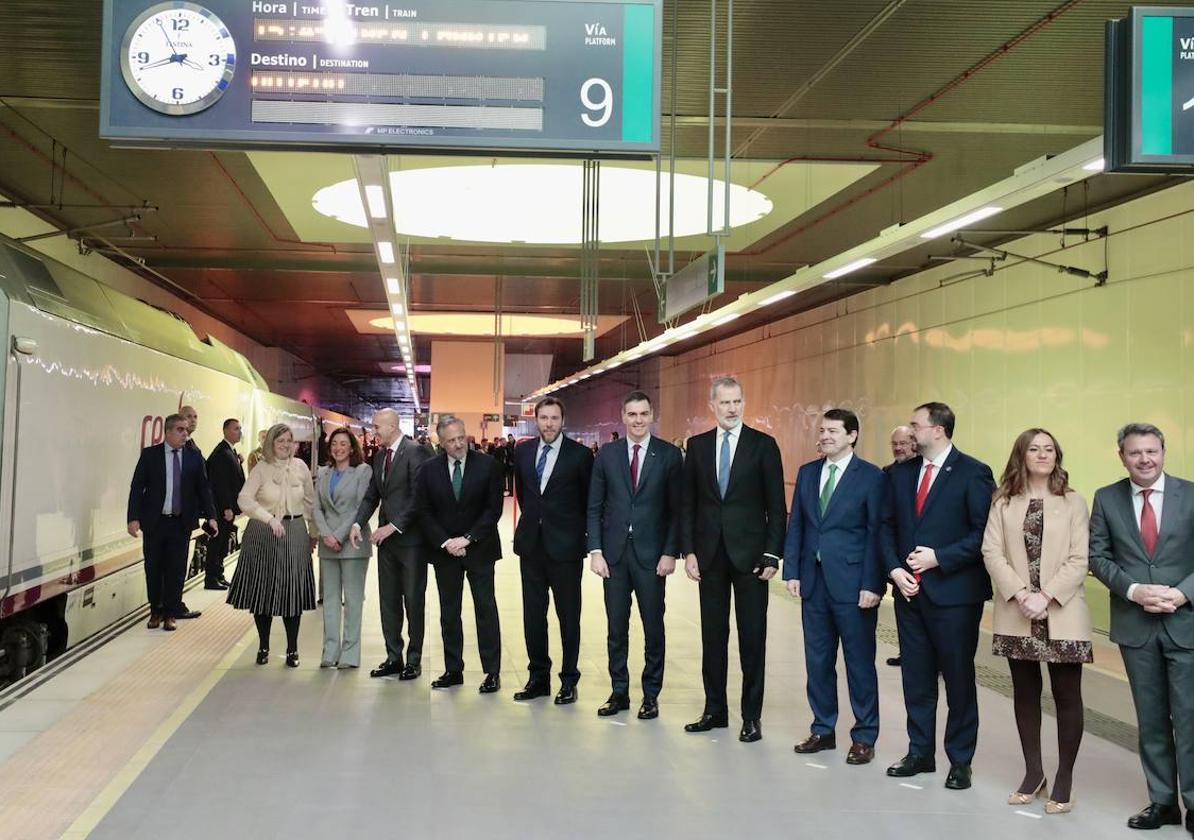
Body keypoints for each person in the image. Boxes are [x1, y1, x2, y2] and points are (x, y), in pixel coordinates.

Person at [881, 401, 994, 790]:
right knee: (916, 676)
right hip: (909, 594)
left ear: (939, 430)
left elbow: (983, 534)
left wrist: (938, 558)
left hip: (956, 596)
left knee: (959, 678)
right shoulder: (899, 475)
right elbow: (886, 527)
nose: (910, 432)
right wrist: (896, 570)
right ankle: (920, 752)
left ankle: (960, 760)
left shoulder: (974, 473)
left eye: (916, 425)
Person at [1088, 423, 1194, 833]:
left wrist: (1182, 594)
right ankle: (1163, 801)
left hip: (1185, 622)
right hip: (1136, 625)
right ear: (1122, 456)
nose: (1145, 459)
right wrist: (1134, 591)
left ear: (1164, 452)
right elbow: (1098, 557)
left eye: (1152, 451)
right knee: (1150, 721)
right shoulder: (1106, 498)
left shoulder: (1190, 494)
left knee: (1189, 720)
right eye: (1135, 453)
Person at [982, 428, 1092, 814]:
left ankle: (1064, 778)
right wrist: (1020, 594)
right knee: (1025, 692)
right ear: (1022, 456)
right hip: (1017, 611)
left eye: (1049, 449)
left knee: (1067, 695)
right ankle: (1034, 773)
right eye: (1035, 449)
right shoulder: (1003, 502)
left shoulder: (1074, 502)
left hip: (1062, 610)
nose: (1043, 455)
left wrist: (1046, 596)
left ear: (1057, 456)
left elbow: (1080, 558)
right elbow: (991, 551)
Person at [680, 377, 784, 743]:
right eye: (724, 402)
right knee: (713, 636)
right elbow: (688, 503)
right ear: (713, 405)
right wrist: (689, 550)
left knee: (752, 637)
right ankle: (715, 710)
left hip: (752, 557)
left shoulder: (763, 446)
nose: (732, 408)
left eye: (737, 401)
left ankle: (751, 716)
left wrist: (773, 553)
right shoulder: (697, 446)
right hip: (709, 556)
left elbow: (777, 506)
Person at [784, 408, 885, 763]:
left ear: (852, 436)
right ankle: (823, 729)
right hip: (814, 584)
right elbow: (797, 524)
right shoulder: (808, 473)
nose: (826, 436)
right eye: (823, 430)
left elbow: (877, 534)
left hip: (854, 585)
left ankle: (864, 736)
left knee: (859, 663)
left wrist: (873, 583)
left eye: (834, 431)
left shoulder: (871, 477)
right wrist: (792, 571)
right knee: (818, 661)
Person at [587, 390, 683, 720]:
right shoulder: (608, 455)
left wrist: (670, 552)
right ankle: (619, 691)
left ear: (651, 416)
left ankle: (651, 694)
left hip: (652, 556)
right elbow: (595, 506)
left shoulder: (669, 456)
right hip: (613, 556)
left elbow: (676, 510)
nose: (638, 420)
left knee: (653, 626)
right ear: (623, 417)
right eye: (632, 414)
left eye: (643, 414)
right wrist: (596, 551)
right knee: (617, 627)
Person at [511, 397, 594, 705]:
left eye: (554, 418)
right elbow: (523, 492)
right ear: (537, 419)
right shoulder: (523, 451)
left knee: (568, 616)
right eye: (543, 418)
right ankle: (538, 678)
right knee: (533, 615)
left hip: (566, 548)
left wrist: (582, 537)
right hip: (531, 546)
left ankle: (569, 679)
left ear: (563, 420)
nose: (548, 423)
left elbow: (588, 502)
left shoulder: (581, 456)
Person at [416, 415, 505, 692]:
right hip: (445, 554)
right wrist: (445, 542)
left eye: (460, 437)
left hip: (480, 549)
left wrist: (468, 538)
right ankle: (453, 669)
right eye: (451, 440)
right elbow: (424, 511)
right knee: (449, 612)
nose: (458, 444)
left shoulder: (488, 465)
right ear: (440, 443)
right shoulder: (429, 470)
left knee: (485, 609)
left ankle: (492, 672)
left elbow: (493, 510)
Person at [350, 408, 435, 680]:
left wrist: (393, 526)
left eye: (377, 427)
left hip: (411, 542)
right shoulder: (380, 456)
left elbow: (419, 497)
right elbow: (372, 496)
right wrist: (357, 523)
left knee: (413, 601)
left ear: (392, 425)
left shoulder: (415, 451)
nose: (373, 432)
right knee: (388, 601)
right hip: (386, 543)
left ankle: (414, 659)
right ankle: (393, 657)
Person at [227, 423, 318, 668]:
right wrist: (267, 518)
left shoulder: (300, 468)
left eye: (289, 440)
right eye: (280, 441)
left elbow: (310, 502)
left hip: (295, 531)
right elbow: (244, 499)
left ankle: (292, 649)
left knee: (292, 591)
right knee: (263, 590)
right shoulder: (261, 469)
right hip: (263, 532)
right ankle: (264, 645)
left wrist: (313, 533)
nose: (286, 445)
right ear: (271, 444)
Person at [127, 413, 217, 630]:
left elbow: (204, 489)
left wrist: (212, 516)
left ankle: (171, 612)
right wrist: (133, 517)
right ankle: (155, 611)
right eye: (180, 429)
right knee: (154, 568)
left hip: (181, 523)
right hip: (155, 523)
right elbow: (137, 487)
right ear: (167, 432)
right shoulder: (151, 456)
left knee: (176, 570)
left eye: (186, 430)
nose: (185, 433)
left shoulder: (194, 458)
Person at [314, 427, 373, 669]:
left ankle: (349, 653)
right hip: (328, 544)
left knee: (353, 600)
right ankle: (330, 651)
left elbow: (360, 508)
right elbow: (316, 507)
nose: (338, 448)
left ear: (352, 448)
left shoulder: (362, 471)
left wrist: (338, 535)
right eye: (334, 444)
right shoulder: (323, 473)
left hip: (353, 543)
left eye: (343, 444)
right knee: (329, 599)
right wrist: (326, 535)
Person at [885, 424, 918, 667]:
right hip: (899, 558)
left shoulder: (922, 470)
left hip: (924, 556)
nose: (898, 448)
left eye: (903, 443)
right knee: (903, 609)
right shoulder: (887, 473)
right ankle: (907, 653)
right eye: (895, 444)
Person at [204, 418, 245, 590]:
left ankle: (218, 574)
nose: (239, 432)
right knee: (217, 542)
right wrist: (227, 507)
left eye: (240, 428)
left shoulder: (230, 451)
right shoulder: (222, 453)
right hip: (222, 509)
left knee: (221, 543)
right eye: (236, 428)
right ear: (226, 431)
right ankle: (211, 578)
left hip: (226, 508)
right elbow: (220, 484)